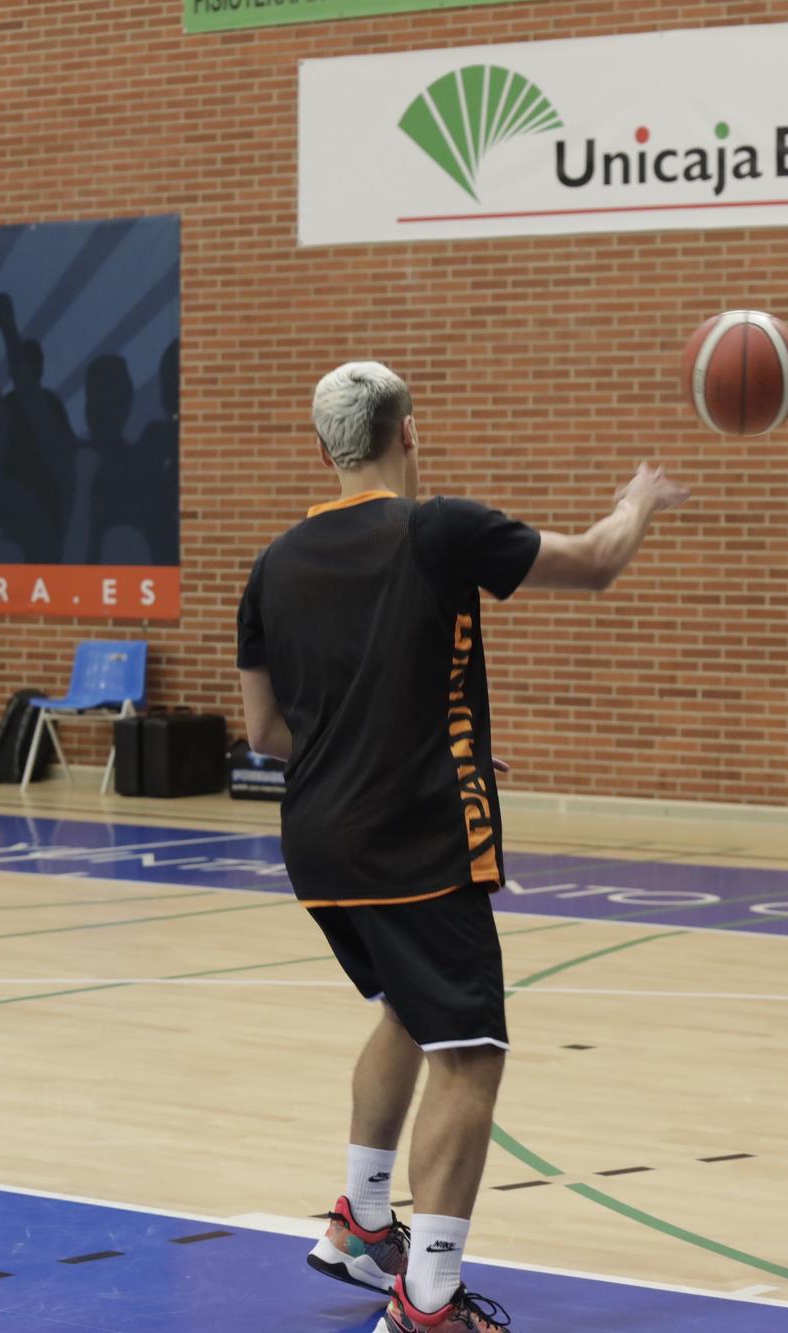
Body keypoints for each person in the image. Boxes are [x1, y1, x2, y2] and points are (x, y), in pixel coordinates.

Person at [236, 361, 689, 1332]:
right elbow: (597, 562)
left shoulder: (272, 563)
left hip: (314, 842)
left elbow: (266, 732)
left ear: (324, 450)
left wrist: (420, 750)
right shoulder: (435, 528)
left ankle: (361, 1221)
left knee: (409, 1006)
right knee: (470, 1053)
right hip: (409, 843)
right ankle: (428, 1299)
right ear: (410, 432)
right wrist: (636, 499)